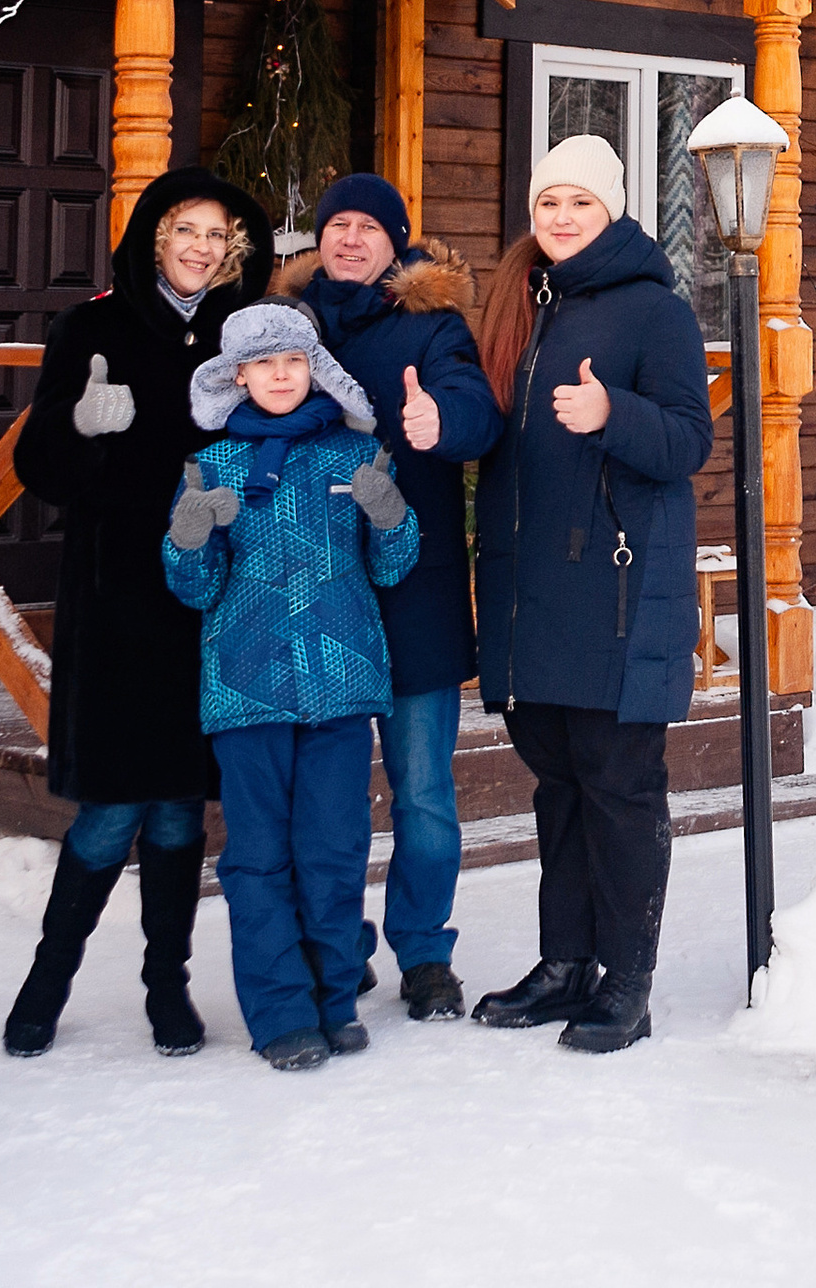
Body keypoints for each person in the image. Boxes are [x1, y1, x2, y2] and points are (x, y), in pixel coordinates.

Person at [4, 165, 274, 1061]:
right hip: (116, 598)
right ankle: (47, 982)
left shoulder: (243, 337)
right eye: (185, 229)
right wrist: (79, 425)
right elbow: (38, 468)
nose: (201, 247)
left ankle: (168, 986)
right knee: (111, 810)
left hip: (209, 597)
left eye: (217, 234)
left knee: (179, 810)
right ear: (156, 237)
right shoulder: (93, 328)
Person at [468, 134, 715, 1054]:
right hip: (531, 593)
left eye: (581, 201)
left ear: (612, 209)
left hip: (616, 591)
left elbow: (689, 440)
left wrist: (615, 414)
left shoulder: (656, 310)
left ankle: (627, 981)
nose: (562, 217)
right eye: (548, 202)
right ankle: (565, 964)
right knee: (560, 787)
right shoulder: (521, 301)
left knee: (620, 789)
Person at [164, 302, 419, 1072]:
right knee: (259, 858)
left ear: (315, 369)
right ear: (237, 376)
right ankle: (280, 1012)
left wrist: (390, 516)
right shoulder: (213, 466)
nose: (280, 375)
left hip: (340, 685)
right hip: (247, 691)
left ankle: (334, 999)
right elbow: (196, 588)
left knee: (334, 849)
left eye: (294, 361)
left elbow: (392, 568)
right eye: (264, 364)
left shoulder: (358, 455)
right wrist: (189, 536)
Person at [275, 175, 501, 1021]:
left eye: (369, 227)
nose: (350, 238)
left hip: (415, 590)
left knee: (422, 791)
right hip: (313, 596)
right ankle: (336, 943)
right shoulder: (288, 324)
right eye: (338, 224)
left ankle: (425, 951)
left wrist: (442, 421)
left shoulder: (432, 325)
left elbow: (477, 409)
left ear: (394, 242)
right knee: (321, 799)